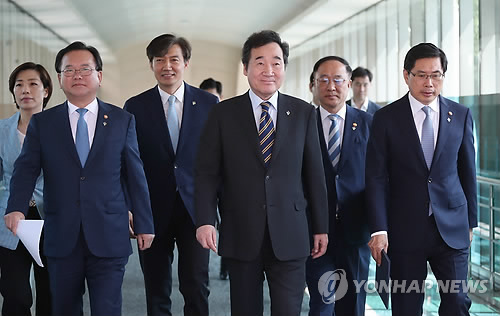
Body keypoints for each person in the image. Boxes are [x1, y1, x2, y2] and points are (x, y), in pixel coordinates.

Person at [4, 41, 155, 316]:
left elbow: (135, 175)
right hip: (62, 235)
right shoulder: (44, 123)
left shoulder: (122, 120)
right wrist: (15, 207)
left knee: (107, 308)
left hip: (110, 234)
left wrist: (145, 223)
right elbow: (26, 169)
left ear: (99, 75)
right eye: (69, 70)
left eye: (85, 69)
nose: (77, 75)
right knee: (64, 307)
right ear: (59, 79)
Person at [195, 30, 329, 316]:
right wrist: (206, 220)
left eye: (276, 62)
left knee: (288, 310)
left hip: (292, 231)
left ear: (284, 68)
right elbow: (207, 173)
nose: (269, 70)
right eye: (259, 62)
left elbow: (314, 175)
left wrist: (320, 226)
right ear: (245, 68)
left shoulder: (304, 113)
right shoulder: (223, 114)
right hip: (241, 230)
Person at [366, 43, 477, 316]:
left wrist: (471, 222)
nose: (429, 83)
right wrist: (379, 229)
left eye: (436, 75)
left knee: (457, 301)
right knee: (406, 306)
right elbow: (376, 177)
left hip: (451, 228)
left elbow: (467, 172)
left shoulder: (460, 115)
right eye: (421, 75)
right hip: (404, 230)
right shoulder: (386, 119)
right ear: (407, 75)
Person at [124, 34, 218, 316]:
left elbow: (216, 162)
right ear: (151, 65)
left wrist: (216, 210)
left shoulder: (209, 104)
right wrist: (131, 208)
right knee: (156, 289)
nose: (167, 66)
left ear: (186, 63)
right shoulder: (135, 107)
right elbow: (129, 162)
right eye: (159, 60)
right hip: (151, 211)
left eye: (174, 59)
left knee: (197, 286)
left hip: (195, 210)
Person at [305, 56, 372, 316]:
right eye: (323, 79)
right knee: (322, 303)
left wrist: (379, 228)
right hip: (314, 232)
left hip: (356, 233)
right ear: (313, 84)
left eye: (338, 80)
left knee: (353, 306)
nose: (331, 86)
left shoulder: (368, 124)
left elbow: (378, 180)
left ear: (349, 83)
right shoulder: (302, 123)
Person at [0, 62, 52, 316]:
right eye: (19, 85)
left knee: (51, 291)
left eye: (33, 84)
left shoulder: (60, 128)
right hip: (11, 218)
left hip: (50, 217)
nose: (25, 90)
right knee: (15, 293)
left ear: (46, 91)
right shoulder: (1, 131)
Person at [198, 77, 229, 281]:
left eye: (214, 97)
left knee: (227, 223)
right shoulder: (197, 117)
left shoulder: (228, 116)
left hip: (226, 181)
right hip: (206, 178)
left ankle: (226, 263)